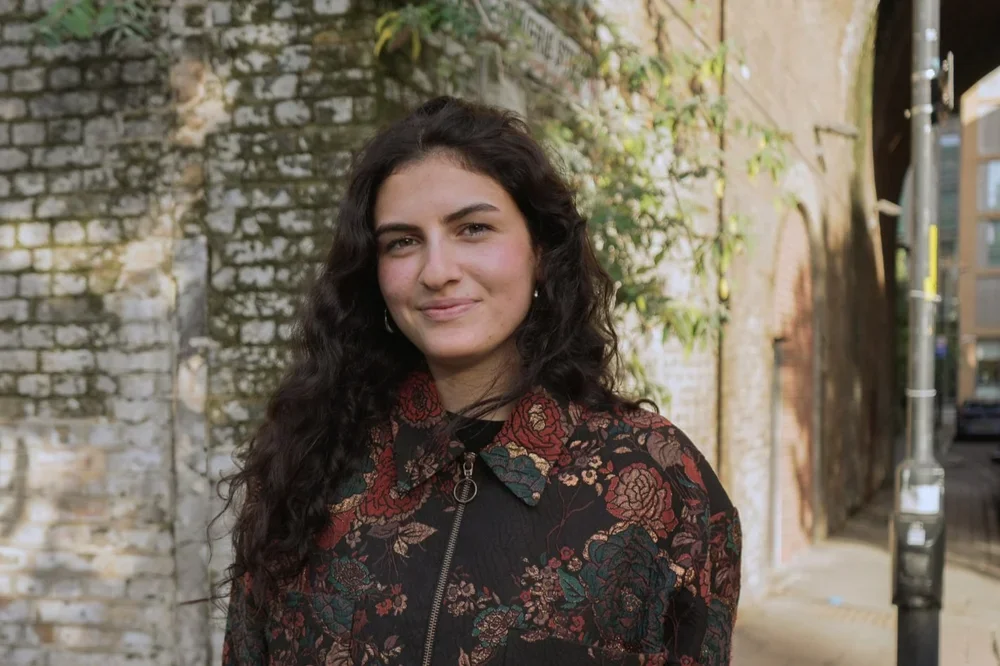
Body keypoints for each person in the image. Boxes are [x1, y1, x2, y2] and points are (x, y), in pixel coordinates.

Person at [219, 95, 741, 666]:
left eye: (472, 228)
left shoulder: (655, 477)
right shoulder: (312, 458)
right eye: (402, 241)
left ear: (540, 251)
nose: (437, 271)